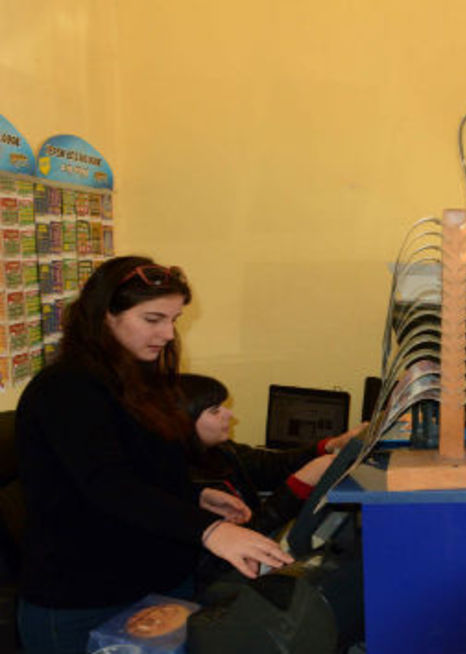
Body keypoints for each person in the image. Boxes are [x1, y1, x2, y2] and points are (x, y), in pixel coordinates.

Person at [16, 256, 293, 654]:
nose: (166, 333)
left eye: (173, 320)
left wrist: (195, 496)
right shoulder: (65, 389)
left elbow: (142, 467)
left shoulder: (138, 381)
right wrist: (211, 531)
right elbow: (108, 485)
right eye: (152, 319)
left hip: (155, 586)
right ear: (105, 315)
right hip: (85, 601)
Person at [181, 373, 358, 556]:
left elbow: (271, 465)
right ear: (186, 421)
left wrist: (329, 446)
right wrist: (299, 485)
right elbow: (242, 538)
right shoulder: (185, 480)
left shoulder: (221, 449)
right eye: (215, 411)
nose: (229, 414)